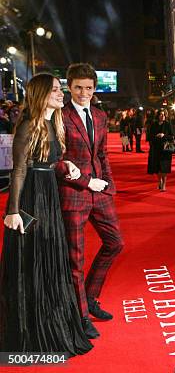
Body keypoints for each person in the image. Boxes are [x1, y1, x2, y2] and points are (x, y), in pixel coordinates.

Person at [0, 73, 93, 355]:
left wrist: (65, 165)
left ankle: (52, 324)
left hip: (49, 195)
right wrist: (13, 211)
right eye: (55, 90)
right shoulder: (28, 124)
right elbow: (19, 169)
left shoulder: (53, 124)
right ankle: (32, 331)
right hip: (31, 199)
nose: (60, 93)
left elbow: (47, 162)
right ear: (41, 93)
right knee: (34, 262)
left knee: (50, 258)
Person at [55, 63, 124, 339]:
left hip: (100, 193)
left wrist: (108, 184)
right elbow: (55, 161)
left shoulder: (99, 115)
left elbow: (103, 154)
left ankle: (91, 296)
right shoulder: (59, 116)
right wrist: (85, 180)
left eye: (89, 88)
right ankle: (81, 315)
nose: (84, 92)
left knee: (115, 243)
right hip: (73, 193)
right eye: (78, 88)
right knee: (75, 258)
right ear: (69, 87)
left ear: (95, 88)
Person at [147, 109, 174, 191]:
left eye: (164, 115)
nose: (162, 116)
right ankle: (160, 181)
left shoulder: (168, 124)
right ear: (158, 116)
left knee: (165, 167)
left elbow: (172, 136)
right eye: (161, 114)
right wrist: (156, 136)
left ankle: (164, 184)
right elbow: (149, 137)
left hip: (166, 149)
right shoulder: (153, 124)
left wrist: (164, 135)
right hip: (156, 148)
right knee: (157, 167)